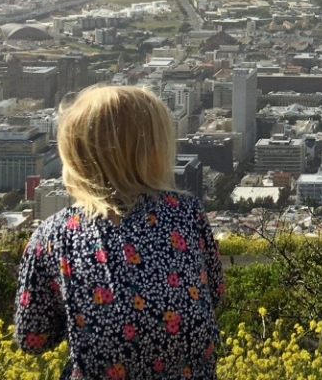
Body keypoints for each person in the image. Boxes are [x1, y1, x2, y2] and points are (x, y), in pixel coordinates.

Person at [14, 85, 224, 380]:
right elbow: (214, 294)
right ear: (154, 150)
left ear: (75, 154)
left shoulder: (53, 236)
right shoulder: (186, 213)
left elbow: (32, 339)